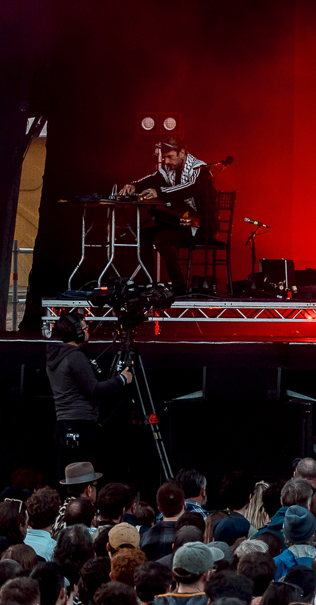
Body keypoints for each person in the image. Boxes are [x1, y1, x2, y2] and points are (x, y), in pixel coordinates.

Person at [118, 133, 219, 293]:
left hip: (203, 227)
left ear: (182, 152)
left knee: (161, 238)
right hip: (184, 223)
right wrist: (133, 185)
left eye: (170, 157)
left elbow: (187, 189)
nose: (166, 161)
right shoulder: (169, 168)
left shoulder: (199, 169)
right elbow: (152, 179)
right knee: (144, 235)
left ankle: (179, 286)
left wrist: (159, 192)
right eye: (164, 157)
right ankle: (149, 284)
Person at [45, 310, 133, 469]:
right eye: (85, 328)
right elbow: (95, 390)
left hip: (62, 425)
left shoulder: (55, 356)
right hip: (81, 424)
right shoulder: (75, 357)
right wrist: (122, 379)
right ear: (77, 333)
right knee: (85, 474)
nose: (88, 332)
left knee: (68, 475)